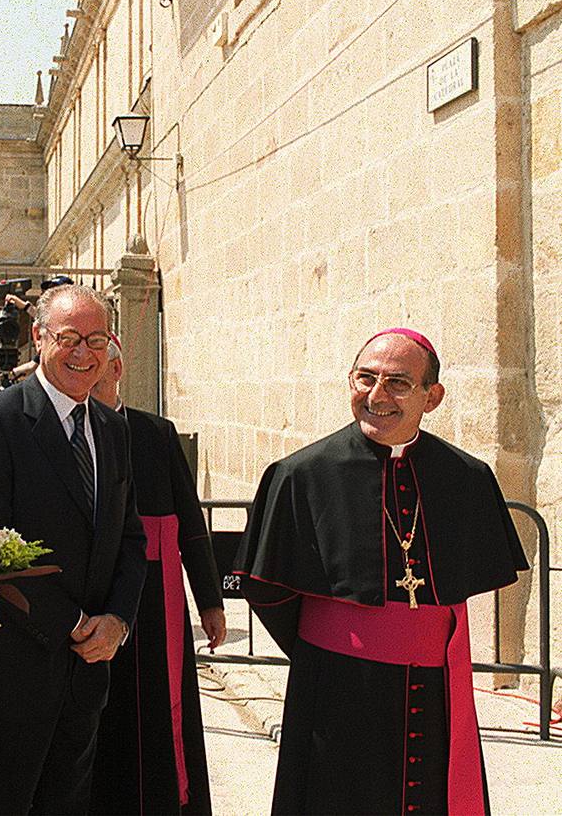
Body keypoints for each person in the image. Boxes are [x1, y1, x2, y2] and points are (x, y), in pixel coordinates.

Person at [234, 328, 529, 814]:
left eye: (397, 383)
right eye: (365, 378)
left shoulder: (468, 477)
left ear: (431, 397)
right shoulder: (301, 474)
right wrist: (337, 646)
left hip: (434, 688)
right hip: (336, 687)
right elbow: (266, 589)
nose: (376, 396)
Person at [0, 283, 147, 815]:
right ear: (39, 338)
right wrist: (73, 622)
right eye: (69, 338)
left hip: (86, 674)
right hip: (12, 673)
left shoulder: (111, 429)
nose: (84, 353)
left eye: (96, 339)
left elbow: (130, 538)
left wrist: (118, 621)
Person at [89, 336, 225, 815]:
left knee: (156, 708)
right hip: (93, 590)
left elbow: (190, 521)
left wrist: (210, 600)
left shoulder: (155, 433)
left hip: (153, 594)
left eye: (97, 365)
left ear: (118, 369)